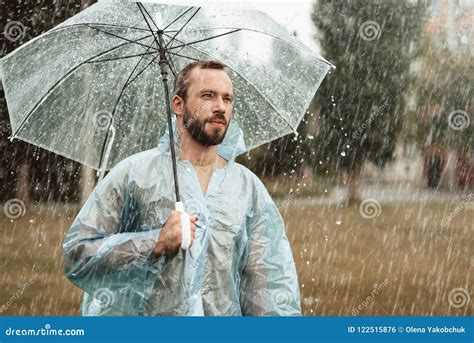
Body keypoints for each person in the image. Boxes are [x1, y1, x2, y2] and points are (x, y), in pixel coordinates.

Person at [63, 60, 301, 316]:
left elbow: (268, 289)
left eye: (227, 99)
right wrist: (154, 242)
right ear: (178, 104)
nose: (220, 107)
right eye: (208, 96)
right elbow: (78, 255)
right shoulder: (134, 174)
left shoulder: (247, 188)